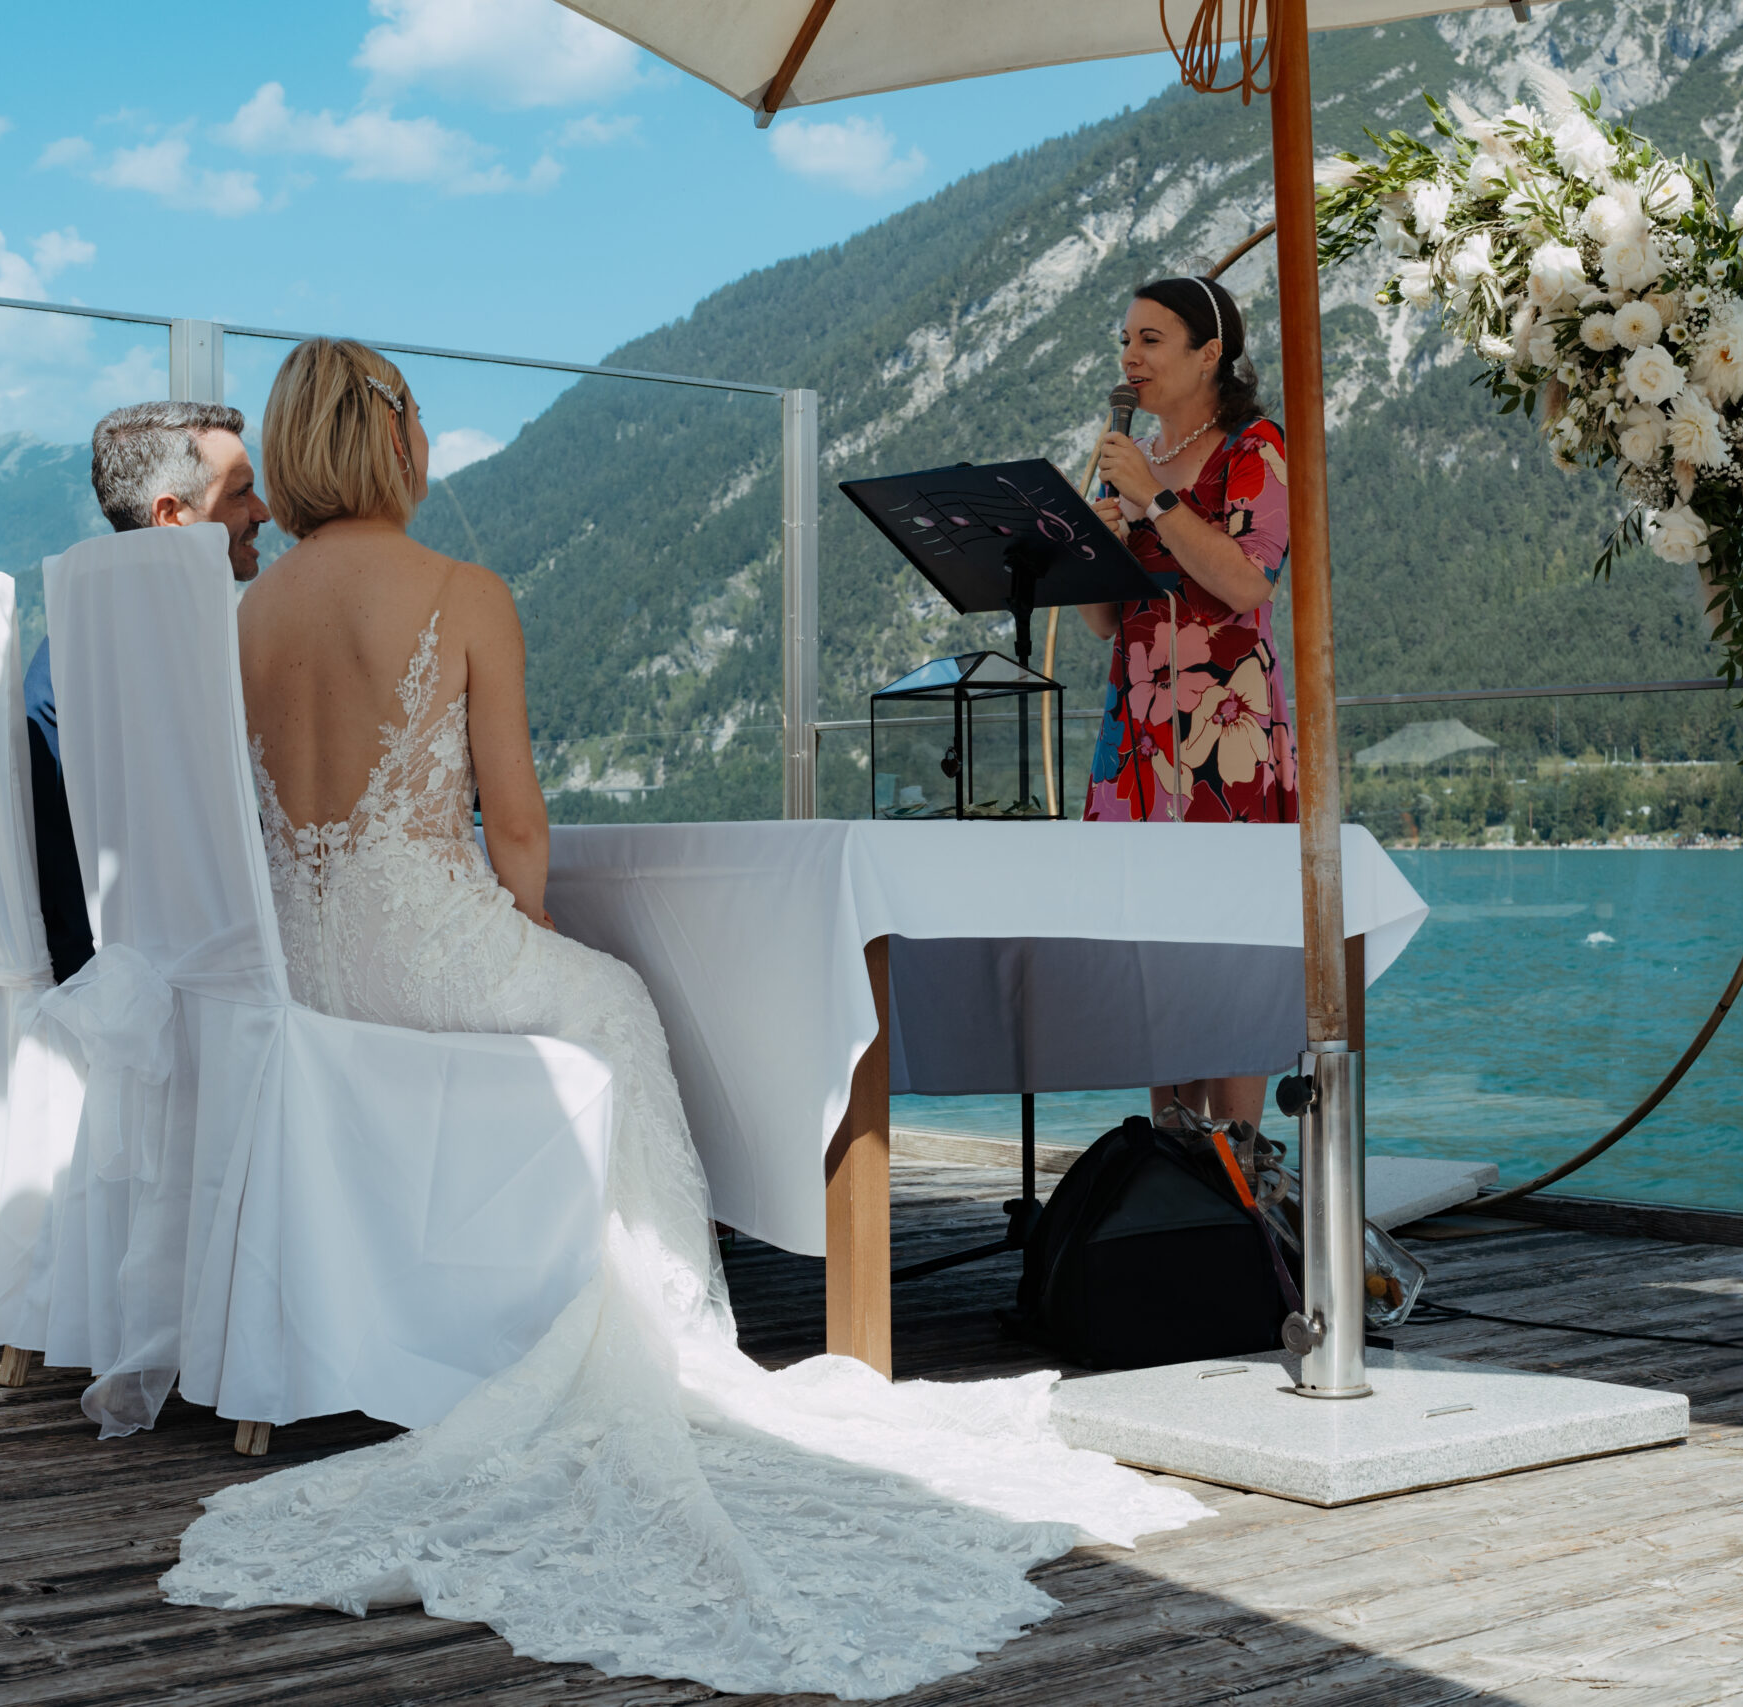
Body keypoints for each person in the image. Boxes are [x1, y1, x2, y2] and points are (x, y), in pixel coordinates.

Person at [157, 338, 1203, 1699]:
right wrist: (526, 924)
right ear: (392, 437)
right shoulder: (461, 590)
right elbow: (515, 827)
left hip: (304, 978)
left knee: (589, 994)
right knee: (617, 1000)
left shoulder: (239, 619)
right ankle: (669, 1346)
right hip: (421, 953)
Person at [1079, 276, 1297, 1130]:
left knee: (1229, 942)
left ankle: (1241, 1157)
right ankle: (1171, 1151)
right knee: (1155, 949)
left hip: (1222, 731)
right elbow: (1104, 621)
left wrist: (1157, 500)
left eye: (1151, 339)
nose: (1130, 357)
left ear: (1210, 353)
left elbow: (1247, 582)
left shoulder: (1255, 446)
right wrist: (1100, 544)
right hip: (1136, 733)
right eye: (1125, 340)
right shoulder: (1128, 459)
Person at [27, 402, 271, 980]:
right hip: (165, 992)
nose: (263, 511)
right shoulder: (159, 670)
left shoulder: (79, 650)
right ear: (171, 514)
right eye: (241, 493)